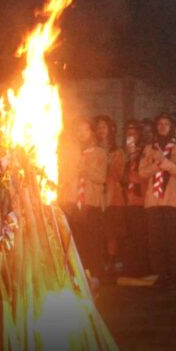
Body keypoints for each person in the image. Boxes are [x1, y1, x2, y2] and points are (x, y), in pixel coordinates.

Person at [138, 112, 176, 286]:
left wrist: (164, 161)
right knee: (157, 238)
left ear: (171, 127)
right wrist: (155, 164)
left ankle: (174, 273)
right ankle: (161, 273)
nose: (162, 127)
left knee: (173, 238)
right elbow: (141, 172)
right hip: (154, 200)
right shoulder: (149, 148)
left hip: (172, 199)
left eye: (166, 124)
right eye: (159, 124)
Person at [59, 118, 107, 279]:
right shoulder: (70, 152)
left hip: (90, 202)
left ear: (91, 133)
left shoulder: (100, 153)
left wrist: (84, 170)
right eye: (78, 130)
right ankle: (76, 274)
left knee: (92, 241)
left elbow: (101, 177)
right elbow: (64, 177)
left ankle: (95, 275)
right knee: (75, 240)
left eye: (85, 130)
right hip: (72, 203)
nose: (81, 134)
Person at [94, 115, 126, 278]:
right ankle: (101, 263)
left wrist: (108, 164)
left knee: (112, 232)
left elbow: (120, 175)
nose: (101, 131)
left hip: (113, 198)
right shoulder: (92, 150)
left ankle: (113, 264)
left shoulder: (117, 152)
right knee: (100, 232)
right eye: (98, 127)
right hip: (96, 198)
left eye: (104, 127)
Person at [122, 120, 150, 277]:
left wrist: (135, 176)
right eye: (128, 133)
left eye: (133, 133)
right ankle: (131, 267)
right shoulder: (126, 154)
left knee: (141, 235)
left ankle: (143, 267)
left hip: (142, 199)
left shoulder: (145, 151)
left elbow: (146, 175)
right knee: (130, 235)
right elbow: (123, 176)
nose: (130, 136)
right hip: (129, 199)